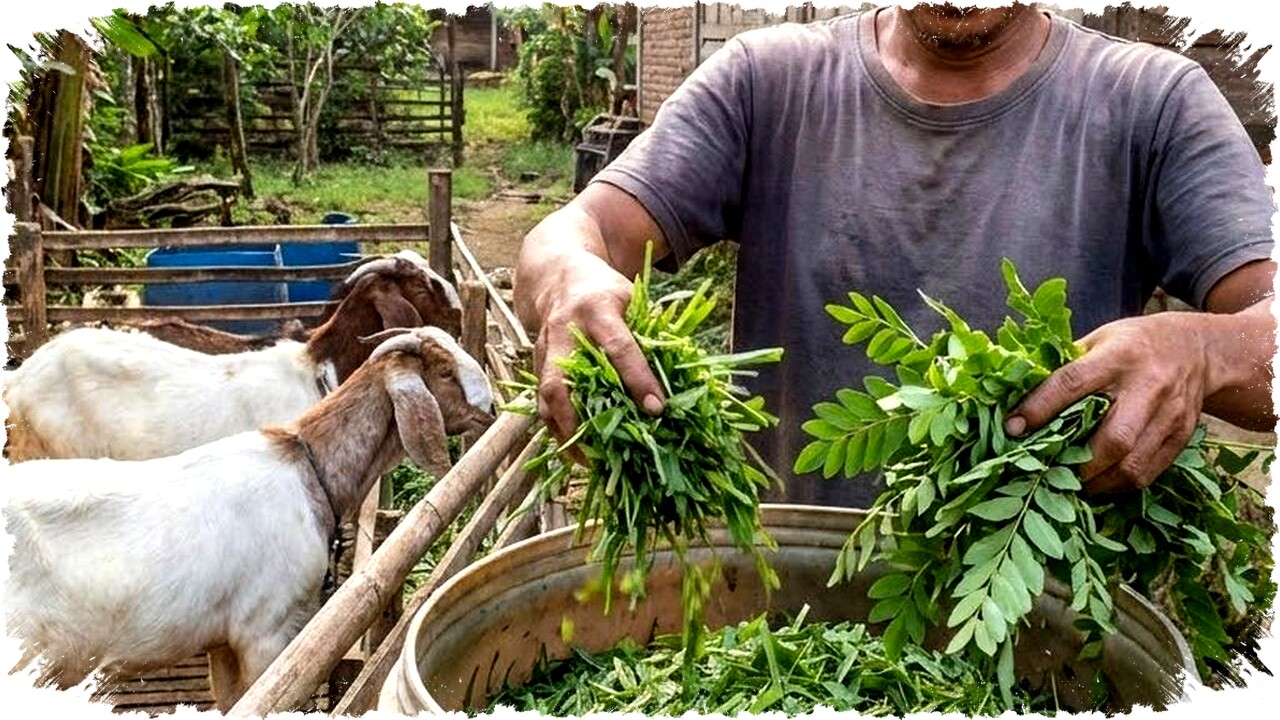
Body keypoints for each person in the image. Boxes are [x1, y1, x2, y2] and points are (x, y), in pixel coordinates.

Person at [513, 2, 1276, 509]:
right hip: (780, 612)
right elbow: (578, 235)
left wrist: (1203, 350)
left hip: (1046, 635)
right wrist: (568, 281)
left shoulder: (1153, 101)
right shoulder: (766, 80)